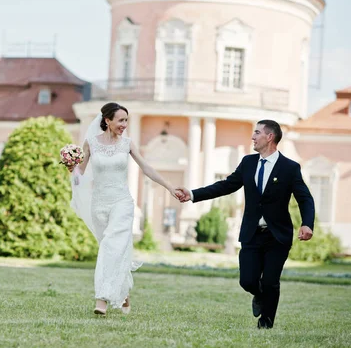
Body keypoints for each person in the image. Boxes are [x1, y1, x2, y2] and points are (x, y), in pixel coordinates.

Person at [175, 120, 315, 329]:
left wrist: (307, 223)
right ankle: (259, 295)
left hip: (277, 235)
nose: (253, 137)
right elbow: (225, 186)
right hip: (252, 233)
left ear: (270, 137)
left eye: (257, 133)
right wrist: (193, 194)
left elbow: (305, 198)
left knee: (270, 281)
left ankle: (266, 323)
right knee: (247, 281)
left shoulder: (289, 167)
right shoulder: (248, 163)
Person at [67, 102, 179, 316]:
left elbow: (146, 168)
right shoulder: (90, 143)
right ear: (107, 121)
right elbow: (80, 175)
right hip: (99, 205)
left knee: (111, 245)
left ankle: (101, 300)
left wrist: (169, 187)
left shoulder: (127, 144)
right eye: (120, 120)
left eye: (126, 120)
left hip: (121, 203)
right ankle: (124, 294)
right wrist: (72, 168)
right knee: (113, 250)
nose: (124, 125)